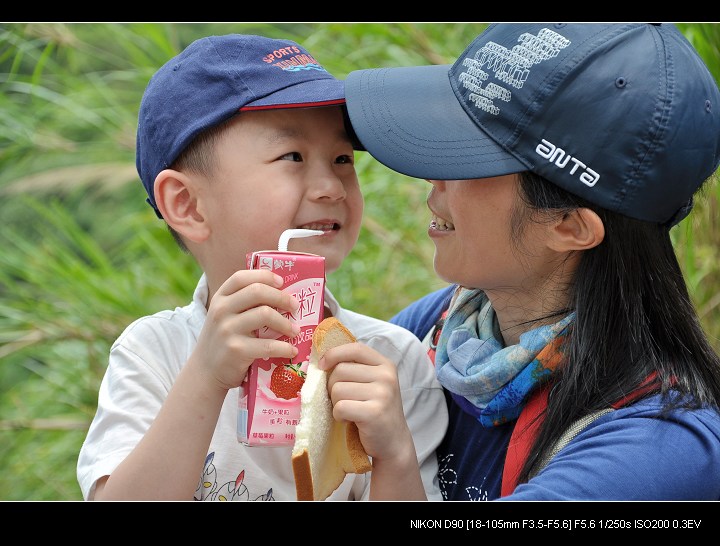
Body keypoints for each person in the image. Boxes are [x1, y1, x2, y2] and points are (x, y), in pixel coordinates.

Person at [344, 23, 720, 500]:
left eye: (464, 159)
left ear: (569, 226)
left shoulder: (657, 455)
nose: (432, 181)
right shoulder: (443, 328)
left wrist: (396, 461)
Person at [76, 34, 447, 501]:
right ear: (187, 204)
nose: (332, 186)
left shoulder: (391, 362)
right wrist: (206, 379)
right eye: (292, 156)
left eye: (342, 159)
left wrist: (394, 453)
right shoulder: (155, 354)